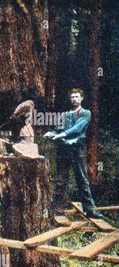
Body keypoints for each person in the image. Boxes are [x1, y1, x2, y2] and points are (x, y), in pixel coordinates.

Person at [44, 88, 103, 218]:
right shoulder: (64, 115)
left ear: (82, 98)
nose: (74, 99)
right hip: (64, 150)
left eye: (76, 96)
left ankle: (90, 209)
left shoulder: (85, 113)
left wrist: (62, 134)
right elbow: (57, 129)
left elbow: (78, 128)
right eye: (72, 97)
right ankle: (55, 209)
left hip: (77, 150)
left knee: (82, 180)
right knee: (60, 180)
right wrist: (51, 133)